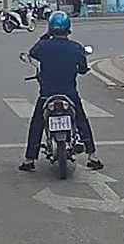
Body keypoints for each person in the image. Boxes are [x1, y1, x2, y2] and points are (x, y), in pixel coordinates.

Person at [19, 11, 102, 172]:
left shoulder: (43, 46)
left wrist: (45, 36)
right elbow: (83, 69)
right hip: (69, 93)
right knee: (81, 120)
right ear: (68, 28)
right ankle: (92, 156)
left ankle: (29, 159)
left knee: (37, 123)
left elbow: (32, 53)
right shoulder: (76, 48)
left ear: (50, 28)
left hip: (47, 95)